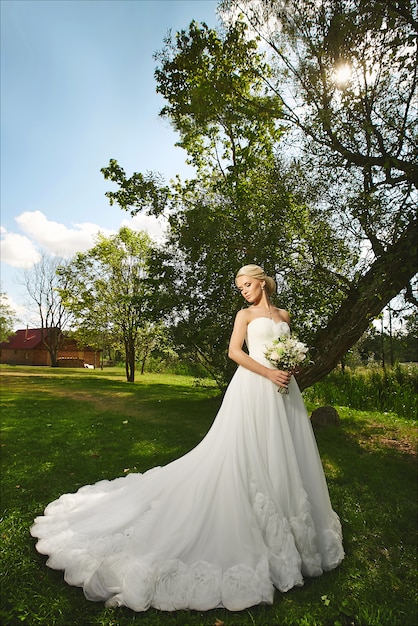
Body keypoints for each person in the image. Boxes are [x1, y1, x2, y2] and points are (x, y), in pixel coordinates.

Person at [31, 264, 344, 613]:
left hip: (284, 392)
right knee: (246, 453)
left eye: (247, 284)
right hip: (254, 387)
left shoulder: (284, 313)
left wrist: (289, 366)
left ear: (262, 282)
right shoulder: (244, 315)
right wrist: (269, 371)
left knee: (287, 452)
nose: (243, 290)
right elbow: (236, 353)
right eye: (239, 286)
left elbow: (284, 347)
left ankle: (295, 528)